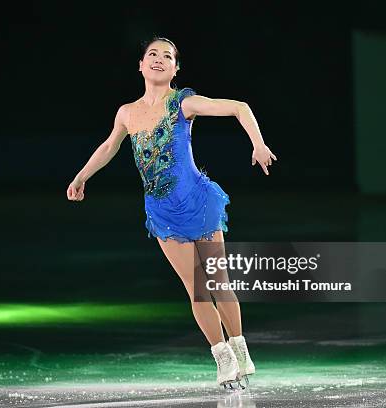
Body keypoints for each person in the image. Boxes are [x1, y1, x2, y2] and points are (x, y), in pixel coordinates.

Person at [66, 36, 277, 389]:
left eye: (167, 56)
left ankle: (240, 349)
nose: (159, 59)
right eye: (152, 54)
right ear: (141, 64)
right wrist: (81, 176)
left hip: (197, 201)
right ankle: (221, 357)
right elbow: (108, 146)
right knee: (195, 288)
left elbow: (239, 106)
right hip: (162, 211)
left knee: (216, 282)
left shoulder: (183, 102)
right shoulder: (127, 112)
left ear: (176, 68)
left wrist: (259, 143)